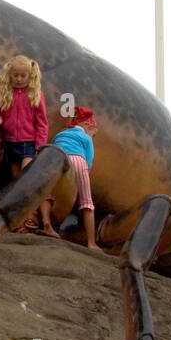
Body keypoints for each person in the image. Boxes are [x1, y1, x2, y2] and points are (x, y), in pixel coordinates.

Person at [50, 106, 101, 251]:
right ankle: (91, 242)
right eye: (93, 133)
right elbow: (89, 159)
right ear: (86, 125)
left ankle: (46, 224)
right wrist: (85, 174)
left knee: (48, 195)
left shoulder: (60, 135)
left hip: (59, 161)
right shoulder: (85, 138)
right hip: (79, 161)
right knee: (87, 203)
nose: (92, 136)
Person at [0, 54, 49, 178]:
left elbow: (42, 123)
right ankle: (23, 198)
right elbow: (0, 116)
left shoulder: (35, 95)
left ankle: (36, 196)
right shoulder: (5, 94)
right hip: (10, 142)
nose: (19, 79)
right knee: (16, 178)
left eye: (23, 76)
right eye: (15, 75)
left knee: (26, 175)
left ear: (29, 76)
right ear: (10, 75)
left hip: (28, 143)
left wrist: (40, 146)